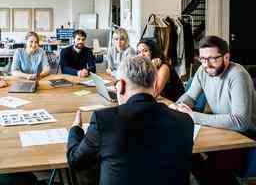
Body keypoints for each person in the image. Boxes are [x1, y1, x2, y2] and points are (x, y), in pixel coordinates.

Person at [67, 56, 194, 185]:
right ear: (155, 85)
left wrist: (75, 129)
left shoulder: (104, 120)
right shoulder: (185, 120)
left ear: (121, 86)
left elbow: (75, 161)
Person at [174, 35, 256, 185]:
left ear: (226, 57)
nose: (207, 64)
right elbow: (190, 96)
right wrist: (178, 107)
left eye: (212, 59)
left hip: (246, 135)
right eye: (203, 59)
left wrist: (193, 116)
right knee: (183, 154)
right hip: (223, 129)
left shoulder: (238, 75)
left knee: (213, 173)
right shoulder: (202, 70)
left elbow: (241, 122)